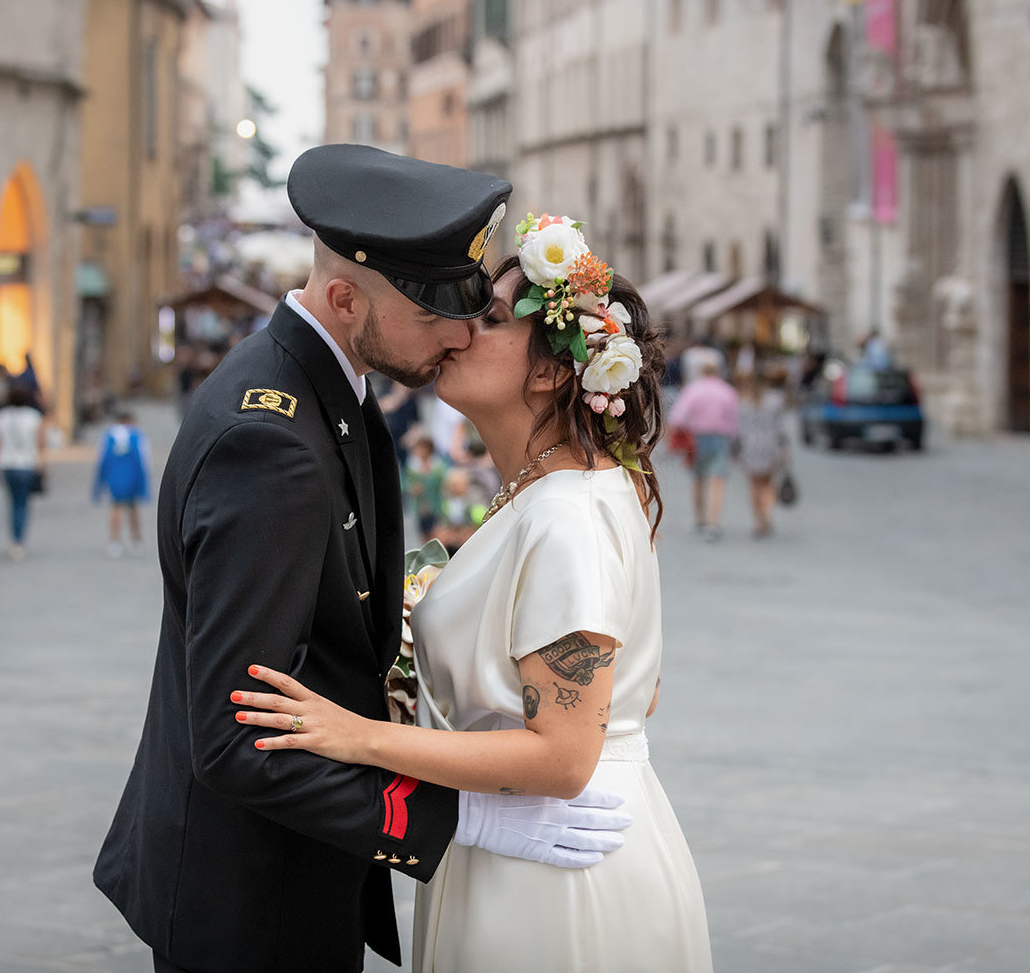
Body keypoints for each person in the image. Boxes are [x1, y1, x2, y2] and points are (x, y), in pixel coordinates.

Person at [93, 145, 633, 973]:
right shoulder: (271, 441)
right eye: (434, 313)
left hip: (297, 870)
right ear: (346, 299)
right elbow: (238, 738)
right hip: (253, 897)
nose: (459, 332)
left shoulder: (332, 388)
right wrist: (463, 818)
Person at [231, 216, 711, 971]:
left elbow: (564, 756)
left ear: (552, 372)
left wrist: (356, 734)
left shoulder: (566, 516)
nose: (457, 330)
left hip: (556, 869)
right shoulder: (550, 489)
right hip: (520, 839)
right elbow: (630, 696)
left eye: (487, 319)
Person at [668, 357, 739, 540]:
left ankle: (699, 519)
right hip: (720, 438)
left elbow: (678, 417)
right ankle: (713, 523)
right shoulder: (727, 391)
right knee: (718, 480)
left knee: (698, 479)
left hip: (697, 437)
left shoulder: (693, 389)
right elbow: (734, 420)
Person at [0, 383, 46, 561]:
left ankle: (14, 539)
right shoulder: (34, 417)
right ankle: (19, 541)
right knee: (22, 504)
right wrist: (42, 464)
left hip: (6, 463)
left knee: (12, 502)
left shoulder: (1, 417)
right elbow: (40, 444)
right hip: (26, 464)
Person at [735, 371, 790, 538]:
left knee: (754, 484)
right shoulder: (775, 400)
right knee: (768, 483)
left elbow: (739, 428)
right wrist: (785, 449)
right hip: (769, 444)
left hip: (750, 445)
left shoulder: (743, 401)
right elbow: (780, 428)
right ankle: (767, 514)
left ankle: (758, 519)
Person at [92, 409, 151, 558]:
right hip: (132, 476)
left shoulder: (108, 436)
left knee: (116, 508)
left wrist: (99, 483)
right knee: (133, 508)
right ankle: (136, 540)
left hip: (115, 477)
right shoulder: (136, 436)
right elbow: (144, 460)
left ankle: (115, 541)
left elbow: (102, 459)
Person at [403, 433, 448, 541]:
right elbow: (405, 484)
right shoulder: (412, 466)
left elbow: (443, 484)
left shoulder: (437, 466)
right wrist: (412, 489)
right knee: (423, 533)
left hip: (436, 505)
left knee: (435, 532)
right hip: (420, 507)